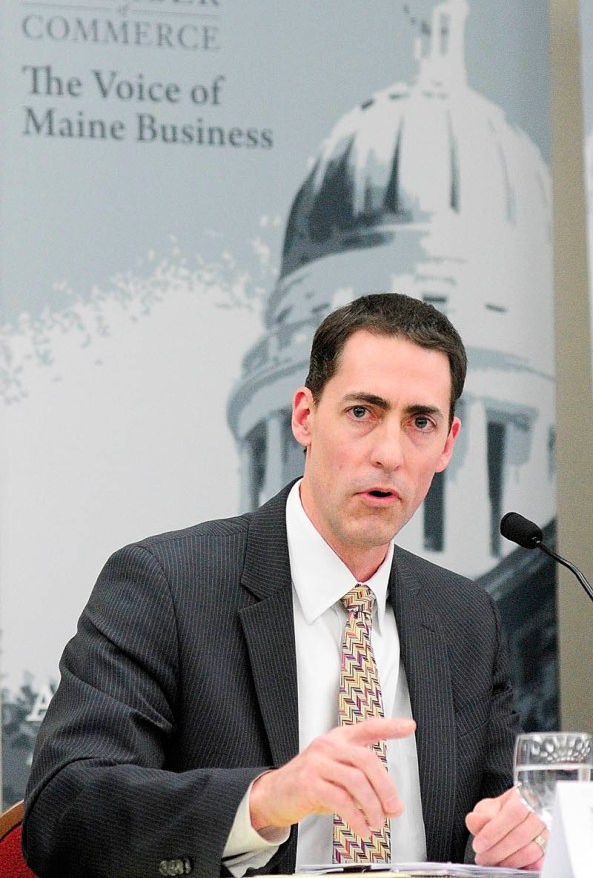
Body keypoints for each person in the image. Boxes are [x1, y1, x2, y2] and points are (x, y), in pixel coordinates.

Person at [23, 293, 548, 877]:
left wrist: (515, 837)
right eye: (361, 413)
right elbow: (65, 813)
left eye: (419, 422)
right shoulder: (166, 584)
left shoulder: (464, 616)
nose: (389, 453)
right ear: (304, 416)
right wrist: (263, 802)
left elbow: (493, 820)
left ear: (448, 444)